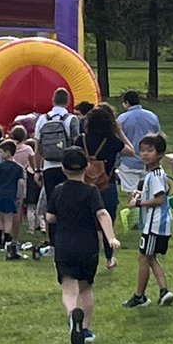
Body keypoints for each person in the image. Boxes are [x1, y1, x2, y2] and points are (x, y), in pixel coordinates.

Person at [47, 147, 120, 344]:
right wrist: (111, 238)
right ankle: (86, 329)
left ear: (63, 169)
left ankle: (72, 315)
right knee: (86, 289)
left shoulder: (58, 190)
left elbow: (50, 217)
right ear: (86, 167)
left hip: (65, 245)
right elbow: (102, 214)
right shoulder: (91, 191)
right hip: (88, 245)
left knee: (69, 289)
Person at [75, 103, 133, 269]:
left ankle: (88, 255)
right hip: (107, 184)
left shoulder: (81, 139)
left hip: (84, 186)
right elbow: (131, 151)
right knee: (108, 222)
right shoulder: (112, 141)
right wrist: (119, 131)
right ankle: (109, 258)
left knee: (86, 223)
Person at [122, 134, 173, 309]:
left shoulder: (156, 175)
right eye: (142, 150)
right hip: (156, 224)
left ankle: (139, 296)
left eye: (150, 150)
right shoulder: (151, 175)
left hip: (155, 224)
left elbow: (159, 199)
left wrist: (139, 203)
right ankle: (164, 291)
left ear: (160, 153)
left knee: (144, 258)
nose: (145, 154)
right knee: (150, 258)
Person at [34, 89, 81, 226]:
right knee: (70, 202)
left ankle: (53, 240)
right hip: (68, 167)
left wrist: (38, 169)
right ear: (68, 101)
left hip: (48, 166)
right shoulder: (72, 119)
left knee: (52, 204)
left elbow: (38, 147)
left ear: (52, 100)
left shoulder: (43, 119)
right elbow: (76, 145)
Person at [115, 91, 160, 193]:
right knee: (150, 193)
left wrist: (117, 161)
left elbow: (118, 140)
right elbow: (158, 138)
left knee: (132, 194)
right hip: (149, 161)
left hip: (129, 162)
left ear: (126, 102)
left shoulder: (122, 118)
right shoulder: (152, 116)